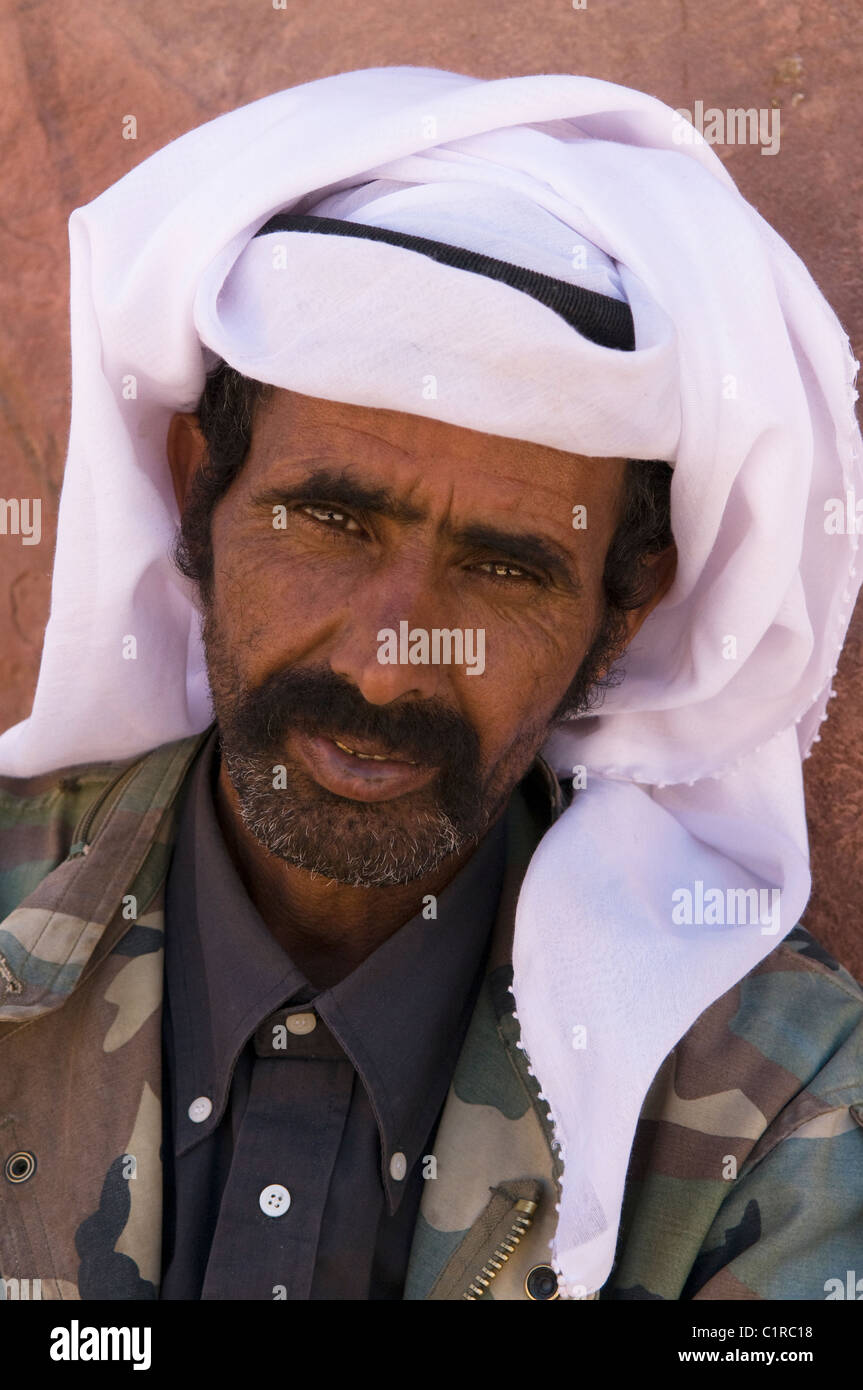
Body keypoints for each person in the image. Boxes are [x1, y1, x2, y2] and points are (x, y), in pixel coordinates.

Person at [0, 65, 861, 1302]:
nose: (385, 658)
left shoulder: (773, 1107)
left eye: (503, 569)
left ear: (623, 610)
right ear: (200, 484)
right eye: (330, 519)